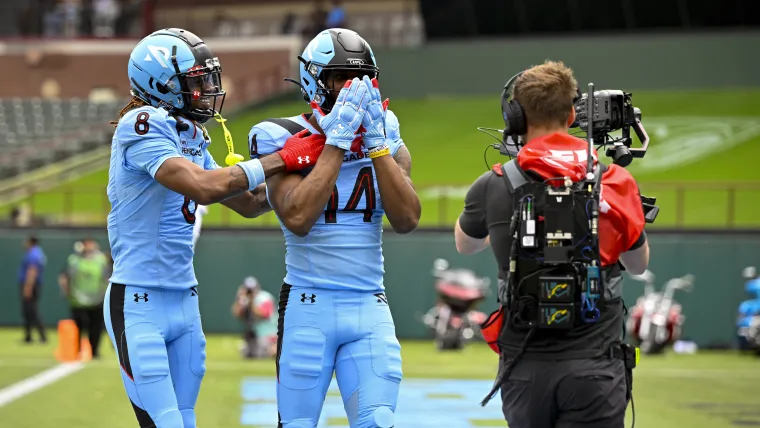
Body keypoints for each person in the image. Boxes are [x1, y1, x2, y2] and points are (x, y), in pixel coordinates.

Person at [103, 27, 327, 428]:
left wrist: (323, 168)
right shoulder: (141, 123)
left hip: (184, 300)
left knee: (186, 421)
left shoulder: (189, 134)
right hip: (138, 300)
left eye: (208, 79)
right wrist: (281, 158)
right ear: (161, 85)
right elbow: (205, 188)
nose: (208, 89)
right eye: (197, 81)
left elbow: (251, 203)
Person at [454, 61, 649, 428]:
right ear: (573, 112)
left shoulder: (492, 185)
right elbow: (638, 265)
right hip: (596, 371)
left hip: (524, 372)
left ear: (515, 116)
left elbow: (466, 244)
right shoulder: (616, 181)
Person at [248, 28, 421, 428]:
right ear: (314, 80)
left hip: (369, 304)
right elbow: (297, 217)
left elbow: (408, 218)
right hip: (309, 306)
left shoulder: (385, 127)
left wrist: (376, 143)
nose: (354, 88)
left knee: (378, 422)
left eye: (362, 78)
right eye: (341, 77)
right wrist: (337, 141)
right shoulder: (281, 133)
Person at [59, 237, 110, 359]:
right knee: (79, 327)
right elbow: (64, 276)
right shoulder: (74, 260)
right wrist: (66, 291)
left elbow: (107, 277)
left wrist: (106, 294)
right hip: (78, 300)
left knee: (96, 328)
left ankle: (94, 351)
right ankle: (76, 350)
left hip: (97, 300)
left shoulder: (101, 260)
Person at [231, 276, 278, 359]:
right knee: (246, 352)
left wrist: (251, 301)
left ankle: (275, 349)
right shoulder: (244, 299)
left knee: (265, 351)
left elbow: (264, 314)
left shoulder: (264, 298)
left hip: (268, 334)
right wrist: (239, 298)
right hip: (254, 335)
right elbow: (236, 314)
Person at [19, 235, 47, 344]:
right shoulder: (38, 253)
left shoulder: (33, 254)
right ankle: (28, 336)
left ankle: (41, 335)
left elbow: (32, 271)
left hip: (30, 284)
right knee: (29, 311)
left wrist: (28, 286)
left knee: (31, 310)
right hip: (33, 284)